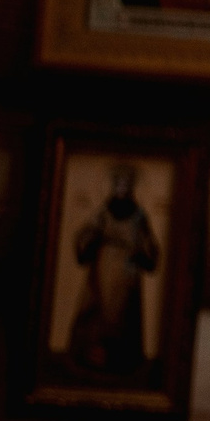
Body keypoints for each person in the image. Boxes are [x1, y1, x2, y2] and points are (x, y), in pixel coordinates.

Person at [65, 162, 161, 378]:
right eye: (117, 184)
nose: (121, 189)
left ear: (131, 188)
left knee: (122, 316)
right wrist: (90, 242)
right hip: (102, 269)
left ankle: (120, 362)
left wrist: (142, 254)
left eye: (125, 185)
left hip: (127, 275)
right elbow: (86, 234)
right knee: (95, 311)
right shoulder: (103, 212)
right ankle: (90, 357)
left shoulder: (139, 216)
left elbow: (149, 244)